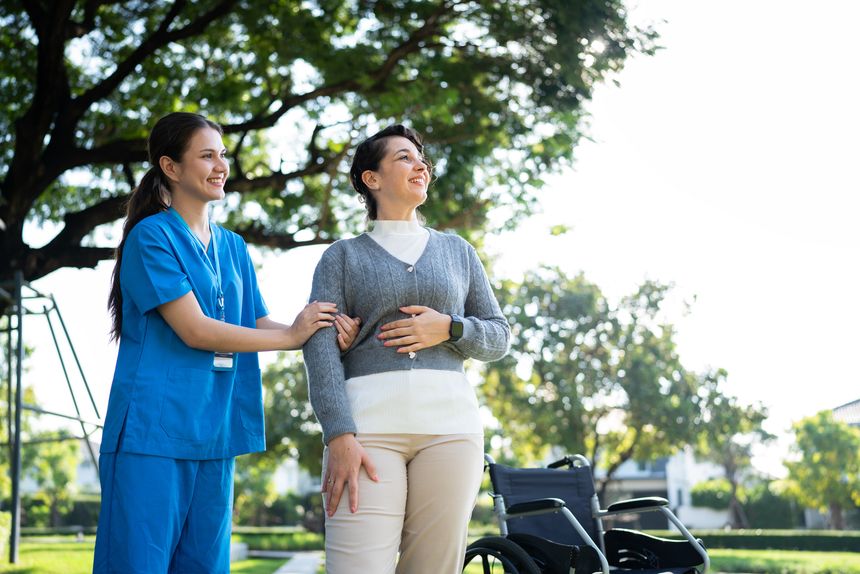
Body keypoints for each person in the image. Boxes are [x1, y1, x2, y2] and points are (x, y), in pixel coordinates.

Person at [93, 112, 358, 573]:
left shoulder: (234, 246)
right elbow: (194, 329)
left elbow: (260, 323)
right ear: (170, 167)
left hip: (215, 435)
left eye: (223, 155)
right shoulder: (150, 237)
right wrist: (292, 337)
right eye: (206, 155)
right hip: (152, 435)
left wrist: (318, 327)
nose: (220, 166)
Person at [303, 124, 511, 573]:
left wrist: (450, 328)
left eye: (422, 160)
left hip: (451, 432)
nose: (420, 165)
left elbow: (498, 336)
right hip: (366, 431)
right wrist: (338, 433)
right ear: (371, 179)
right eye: (403, 157)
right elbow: (318, 348)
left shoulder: (459, 252)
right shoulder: (341, 257)